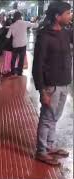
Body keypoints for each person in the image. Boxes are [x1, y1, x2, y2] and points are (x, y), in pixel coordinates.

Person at [32, 1, 72, 165]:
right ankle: (41, 151)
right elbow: (37, 65)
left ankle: (49, 146)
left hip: (64, 83)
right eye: (68, 13)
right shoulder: (45, 36)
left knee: (55, 117)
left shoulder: (65, 32)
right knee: (47, 118)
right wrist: (42, 90)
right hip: (51, 86)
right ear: (57, 16)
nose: (70, 15)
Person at [5, 11, 39, 76]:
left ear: (14, 17)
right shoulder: (25, 23)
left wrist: (4, 45)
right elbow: (36, 25)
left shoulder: (12, 25)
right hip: (23, 44)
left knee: (13, 58)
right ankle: (20, 72)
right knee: (21, 59)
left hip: (15, 45)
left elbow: (7, 36)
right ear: (20, 17)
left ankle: (12, 72)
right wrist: (36, 21)